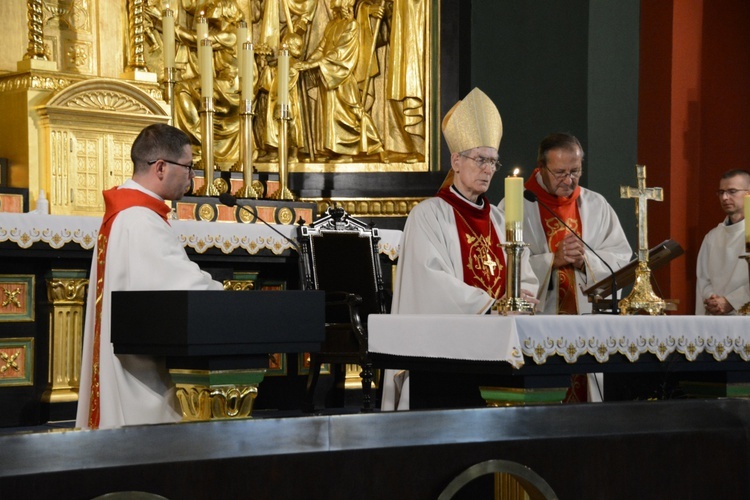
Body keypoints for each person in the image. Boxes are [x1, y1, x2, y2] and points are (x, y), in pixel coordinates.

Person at [382, 88, 539, 410]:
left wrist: (521, 297)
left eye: (493, 162)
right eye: (480, 159)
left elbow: (525, 275)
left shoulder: (500, 218)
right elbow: (430, 282)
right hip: (448, 355)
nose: (488, 169)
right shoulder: (429, 214)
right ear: (456, 161)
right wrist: (492, 305)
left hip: (502, 347)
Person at [76, 124, 224, 430]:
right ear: (160, 167)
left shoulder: (131, 213)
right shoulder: (139, 220)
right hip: (138, 373)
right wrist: (223, 293)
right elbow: (181, 286)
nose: (192, 178)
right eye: (188, 167)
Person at [500, 133, 632, 402]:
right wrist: (552, 260)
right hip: (539, 324)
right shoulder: (515, 205)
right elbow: (505, 266)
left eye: (576, 171)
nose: (569, 180)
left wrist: (586, 262)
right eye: (560, 172)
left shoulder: (596, 205)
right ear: (541, 167)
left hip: (586, 327)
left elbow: (620, 259)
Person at [696, 169, 750, 315]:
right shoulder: (712, 237)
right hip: (716, 318)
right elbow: (703, 280)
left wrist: (732, 301)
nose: (725, 197)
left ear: (748, 193)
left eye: (732, 191)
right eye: (721, 192)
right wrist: (713, 300)